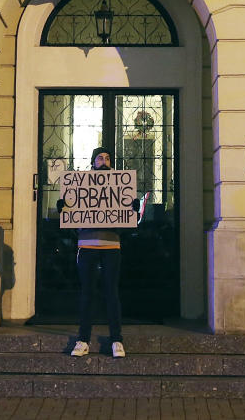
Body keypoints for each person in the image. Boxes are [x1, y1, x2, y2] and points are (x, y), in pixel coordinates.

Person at [68, 147, 148, 359]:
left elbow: (130, 221)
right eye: (100, 158)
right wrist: (64, 209)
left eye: (107, 158)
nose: (104, 160)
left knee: (112, 294)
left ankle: (116, 340)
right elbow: (71, 214)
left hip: (111, 246)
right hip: (86, 246)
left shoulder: (120, 187)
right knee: (87, 294)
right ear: (93, 162)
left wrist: (131, 209)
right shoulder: (81, 186)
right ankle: (83, 339)